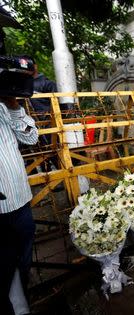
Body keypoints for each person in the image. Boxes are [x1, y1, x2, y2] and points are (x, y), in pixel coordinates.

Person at [0, 96, 38, 314]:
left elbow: (32, 137)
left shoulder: (5, 107)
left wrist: (13, 105)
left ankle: (23, 302)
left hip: (21, 203)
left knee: (24, 261)